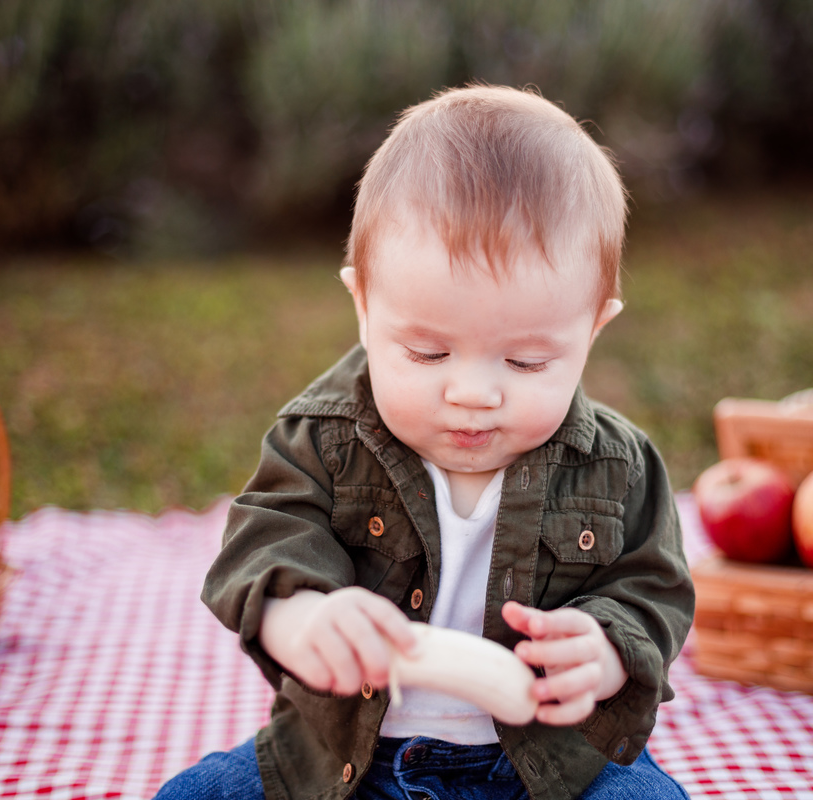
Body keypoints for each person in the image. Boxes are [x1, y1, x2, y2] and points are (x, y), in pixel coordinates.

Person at [154, 84, 694, 800]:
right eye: (428, 354)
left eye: (527, 362)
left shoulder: (618, 468)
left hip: (551, 768)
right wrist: (304, 618)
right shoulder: (322, 440)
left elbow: (654, 587)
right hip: (346, 756)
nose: (473, 392)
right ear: (363, 307)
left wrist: (607, 650)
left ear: (593, 328)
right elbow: (262, 545)